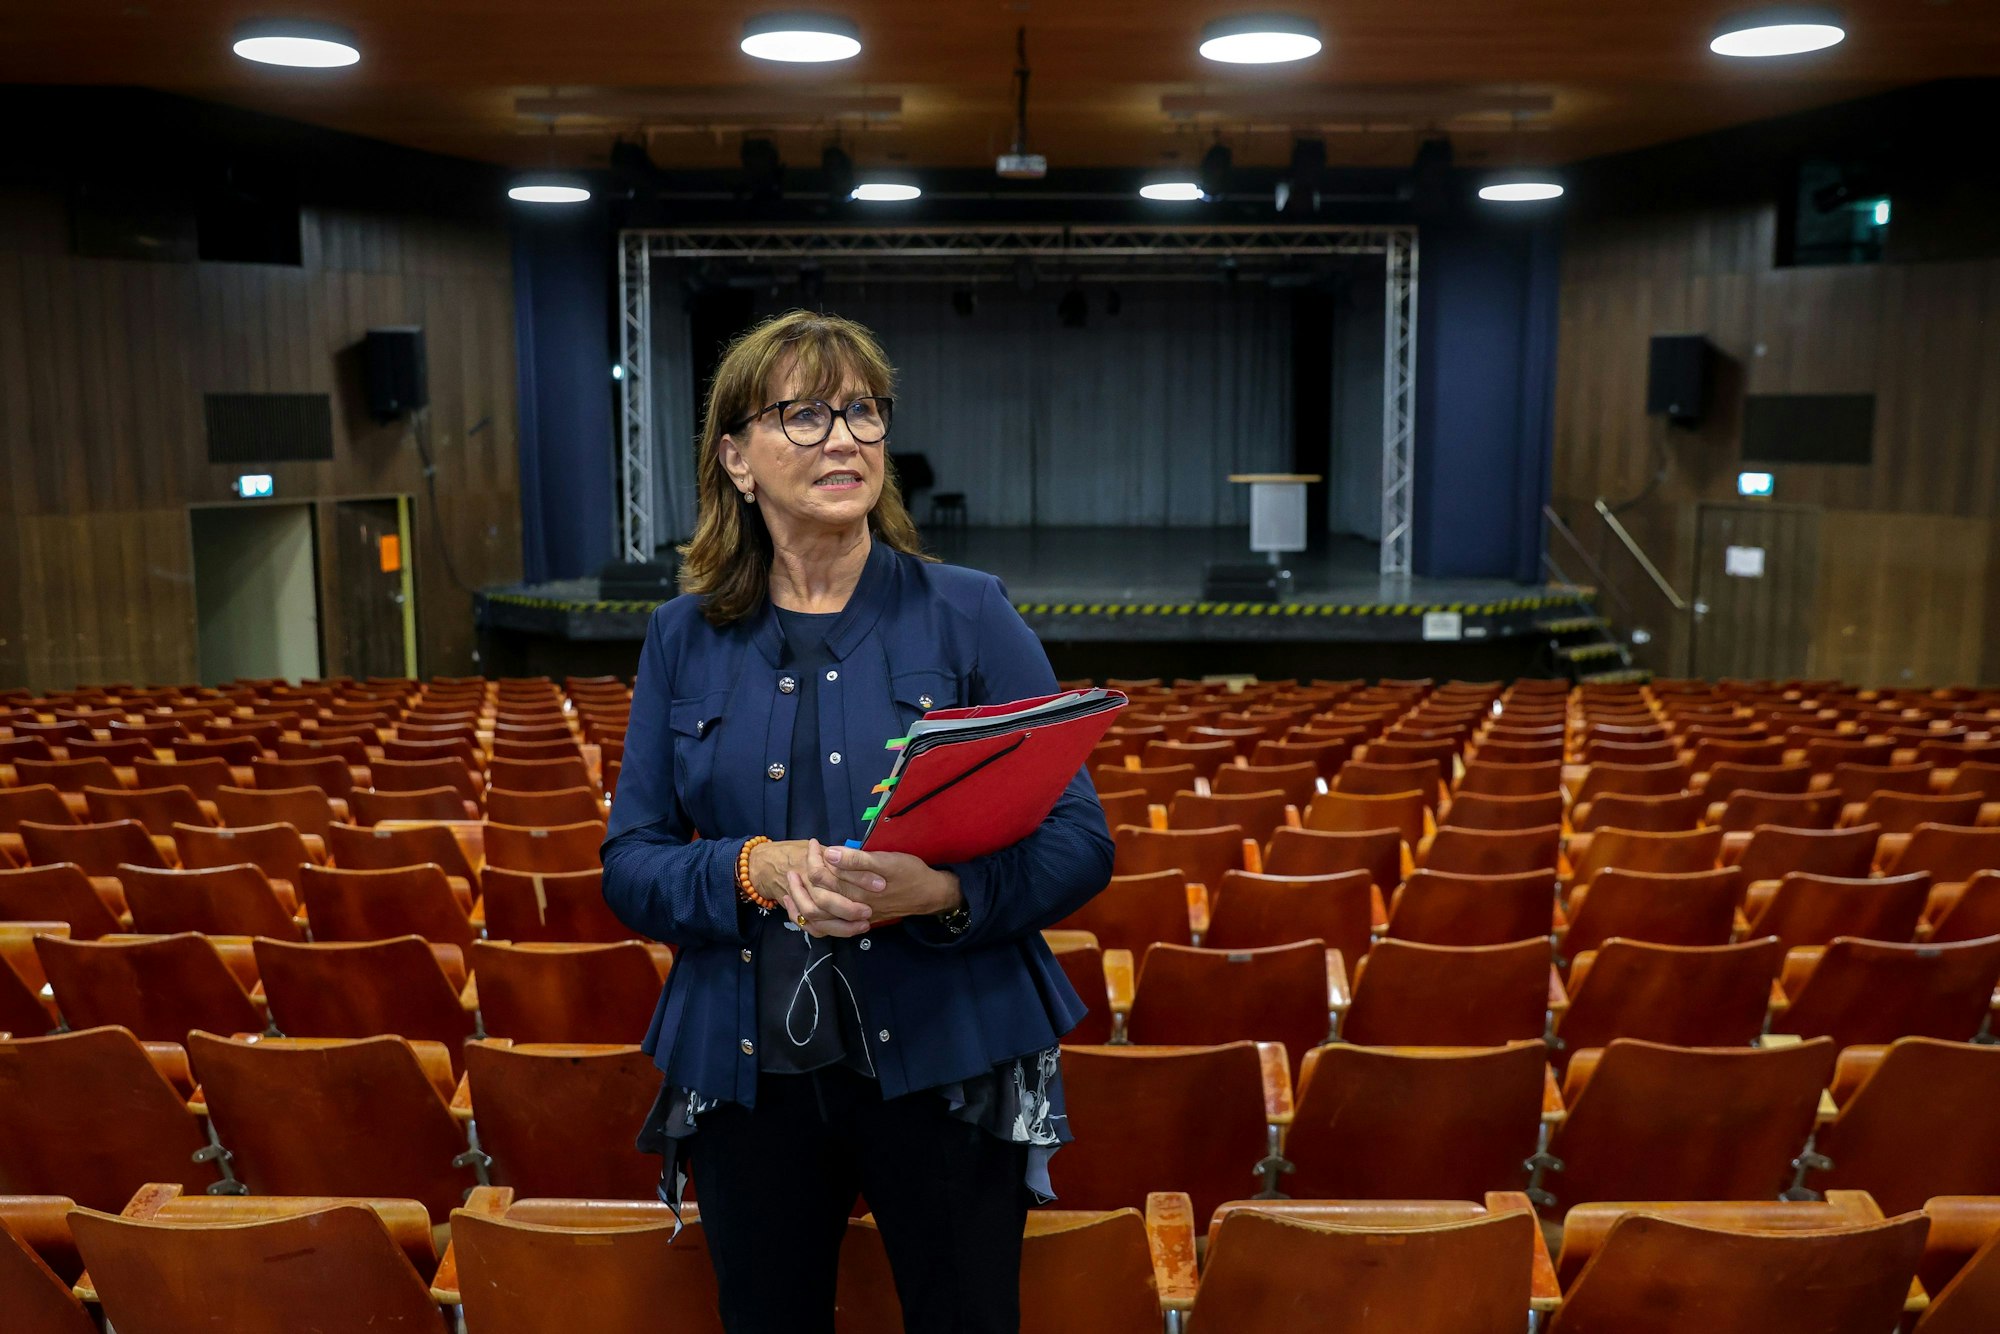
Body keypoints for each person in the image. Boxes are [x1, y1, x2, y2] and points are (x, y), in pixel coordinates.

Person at [601, 308, 1113, 1334]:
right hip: (748, 1078)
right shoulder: (680, 636)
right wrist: (754, 867)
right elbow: (631, 863)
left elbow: (1078, 838)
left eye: (863, 411)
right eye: (804, 413)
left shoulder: (968, 611)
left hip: (949, 1057)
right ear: (736, 458)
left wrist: (948, 891)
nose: (846, 437)